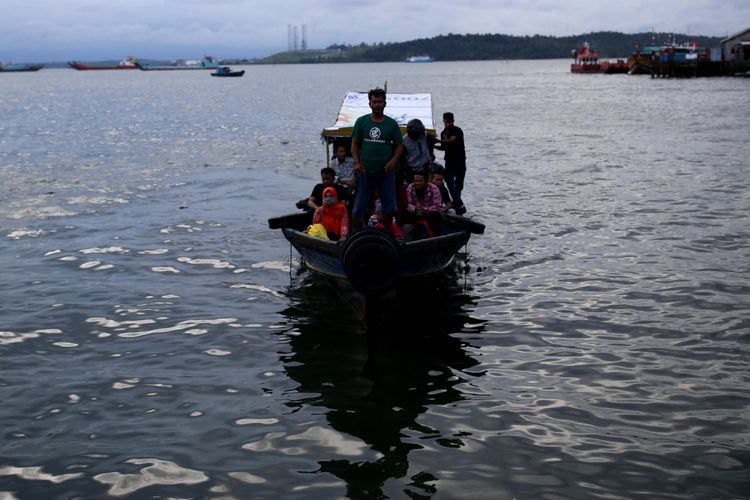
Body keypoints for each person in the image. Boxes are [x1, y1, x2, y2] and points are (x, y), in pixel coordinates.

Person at [351, 88, 404, 232]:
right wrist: (356, 162)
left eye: (380, 102)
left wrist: (393, 161)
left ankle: (387, 235)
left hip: (385, 174)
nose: (377, 104)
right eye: (374, 102)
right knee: (358, 209)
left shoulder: (392, 124)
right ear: (370, 104)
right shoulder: (361, 122)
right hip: (365, 172)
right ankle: (357, 235)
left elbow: (399, 146)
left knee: (389, 208)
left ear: (385, 104)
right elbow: (354, 143)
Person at [435, 112, 467, 215]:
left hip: (460, 161)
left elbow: (452, 140)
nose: (447, 124)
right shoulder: (443, 133)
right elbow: (444, 147)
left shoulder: (457, 131)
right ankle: (458, 204)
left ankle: (457, 205)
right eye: (446, 122)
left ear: (453, 121)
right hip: (449, 161)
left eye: (449, 122)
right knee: (449, 181)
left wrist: (438, 140)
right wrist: (433, 145)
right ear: (443, 121)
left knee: (459, 185)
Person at [403, 170, 443, 239]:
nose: (417, 183)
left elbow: (437, 205)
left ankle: (436, 237)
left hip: (430, 213)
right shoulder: (410, 188)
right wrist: (416, 209)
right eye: (416, 181)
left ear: (426, 181)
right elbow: (409, 204)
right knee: (405, 214)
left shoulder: (434, 188)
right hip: (416, 213)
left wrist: (424, 209)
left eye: (420, 181)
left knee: (436, 216)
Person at [400, 118, 436, 184]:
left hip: (425, 166)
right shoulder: (404, 141)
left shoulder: (426, 136)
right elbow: (402, 158)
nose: (420, 137)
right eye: (418, 135)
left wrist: (431, 157)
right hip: (411, 169)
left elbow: (432, 144)